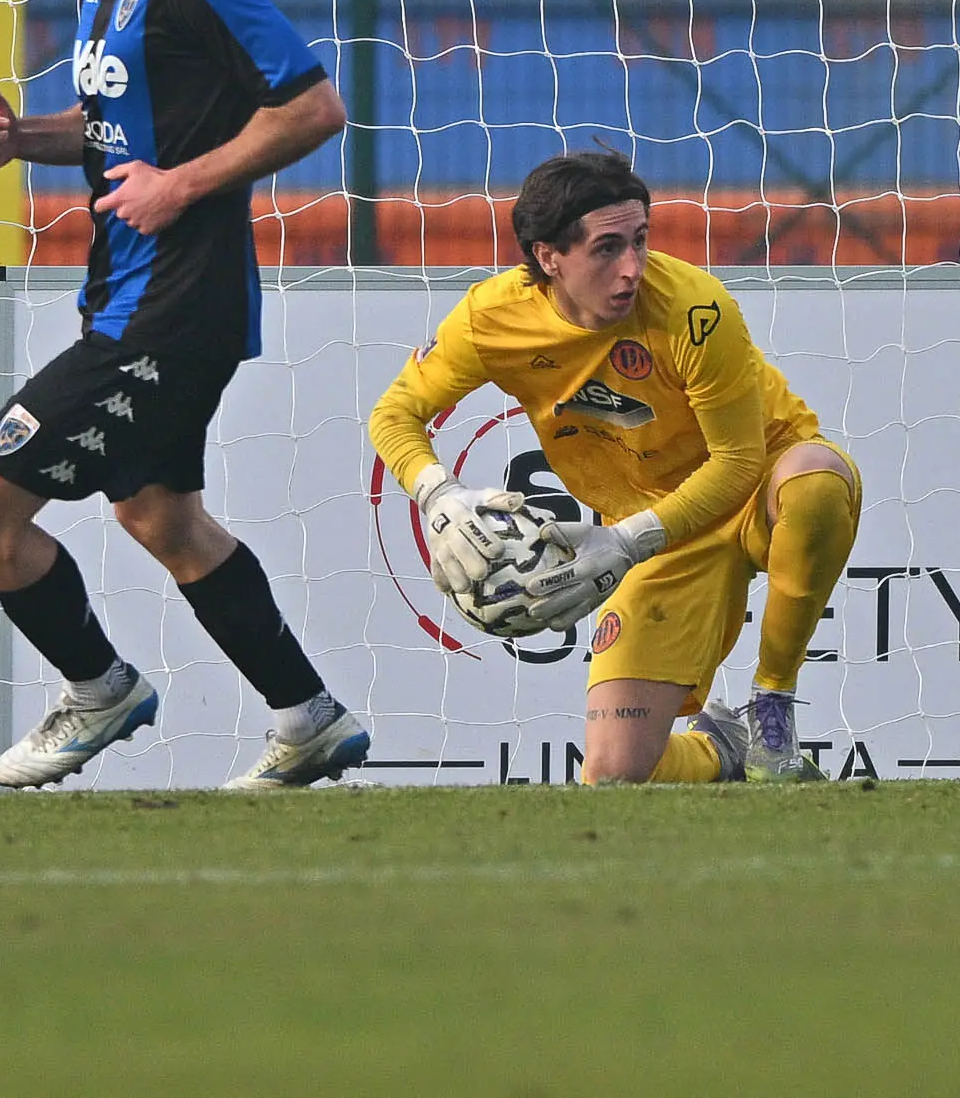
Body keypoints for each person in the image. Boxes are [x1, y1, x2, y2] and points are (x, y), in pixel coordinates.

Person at [0, 0, 362, 792]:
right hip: (133, 297)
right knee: (160, 519)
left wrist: (183, 184)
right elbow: (120, 134)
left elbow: (313, 108)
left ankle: (98, 689)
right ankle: (307, 716)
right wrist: (32, 138)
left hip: (170, 310)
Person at [369, 149, 863, 783]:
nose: (632, 268)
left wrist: (627, 543)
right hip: (658, 523)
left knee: (818, 478)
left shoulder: (694, 308)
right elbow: (394, 415)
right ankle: (725, 752)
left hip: (757, 487)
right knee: (615, 774)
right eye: (607, 249)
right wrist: (437, 496)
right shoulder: (490, 318)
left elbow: (738, 464)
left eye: (640, 240)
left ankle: (772, 710)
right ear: (549, 258)